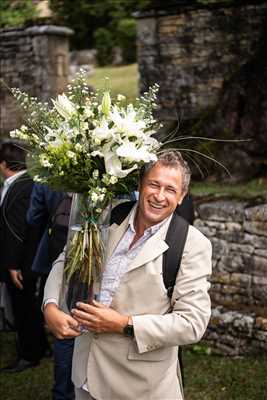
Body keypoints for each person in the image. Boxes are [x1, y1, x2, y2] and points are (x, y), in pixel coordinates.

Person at [43, 150, 212, 400]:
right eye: (153, 184)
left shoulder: (191, 244)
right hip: (85, 374)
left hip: (139, 386)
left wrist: (124, 324)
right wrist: (50, 305)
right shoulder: (108, 216)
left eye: (170, 189)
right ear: (141, 184)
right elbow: (67, 260)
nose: (159, 196)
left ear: (182, 196)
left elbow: (192, 323)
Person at [0, 140, 48, 373]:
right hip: (24, 259)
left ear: (3, 163)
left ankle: (29, 354)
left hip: (21, 262)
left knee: (23, 308)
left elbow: (18, 229)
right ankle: (40, 345)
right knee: (29, 306)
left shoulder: (23, 186)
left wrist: (12, 264)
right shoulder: (24, 182)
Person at [27, 183, 74, 400]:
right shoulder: (123, 171)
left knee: (65, 325)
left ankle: (63, 392)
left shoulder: (47, 178)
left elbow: (33, 217)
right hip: (96, 259)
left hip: (59, 252)